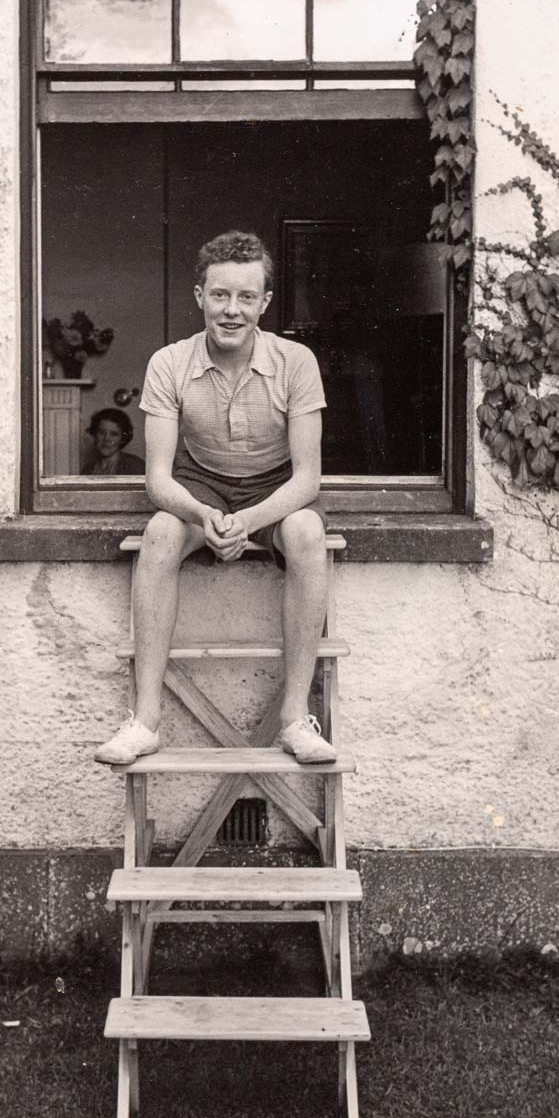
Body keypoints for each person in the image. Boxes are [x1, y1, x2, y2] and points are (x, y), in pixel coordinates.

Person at [95, 230, 335, 766]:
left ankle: (295, 720)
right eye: (220, 295)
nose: (232, 310)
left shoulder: (296, 361)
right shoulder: (168, 363)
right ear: (199, 296)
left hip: (274, 489)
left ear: (265, 303)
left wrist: (245, 521)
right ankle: (145, 720)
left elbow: (307, 481)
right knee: (159, 531)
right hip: (198, 485)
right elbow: (157, 480)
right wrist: (203, 514)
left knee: (307, 530)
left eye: (247, 298)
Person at [81, 408, 145, 475]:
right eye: (101, 432)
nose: (106, 438)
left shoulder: (135, 466)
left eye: (114, 434)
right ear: (95, 434)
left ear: (122, 439)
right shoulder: (88, 469)